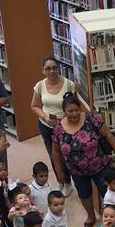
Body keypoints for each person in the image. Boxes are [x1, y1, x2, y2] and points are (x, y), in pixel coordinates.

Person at [51, 93, 115, 227]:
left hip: (100, 165)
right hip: (76, 171)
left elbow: (108, 135)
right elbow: (55, 152)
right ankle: (91, 216)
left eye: (76, 110)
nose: (74, 114)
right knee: (84, 193)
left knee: (107, 191)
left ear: (80, 108)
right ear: (64, 111)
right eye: (70, 111)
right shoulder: (58, 129)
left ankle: (113, 216)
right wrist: (59, 171)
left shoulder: (91, 119)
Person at [30, 56, 78, 196]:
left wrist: (65, 119)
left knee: (66, 155)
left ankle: (69, 182)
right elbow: (34, 106)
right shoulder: (39, 85)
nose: (51, 71)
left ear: (59, 68)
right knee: (53, 155)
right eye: (48, 68)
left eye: (54, 68)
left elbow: (75, 106)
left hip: (65, 127)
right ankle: (61, 181)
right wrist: (44, 117)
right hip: (47, 126)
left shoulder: (69, 85)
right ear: (43, 70)